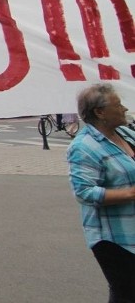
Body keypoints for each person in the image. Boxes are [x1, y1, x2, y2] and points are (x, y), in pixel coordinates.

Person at [67, 83, 135, 301]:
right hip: (114, 237)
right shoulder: (84, 147)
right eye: (118, 105)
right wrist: (131, 193)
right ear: (100, 112)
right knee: (126, 293)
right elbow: (84, 193)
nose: (124, 109)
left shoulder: (124, 133)